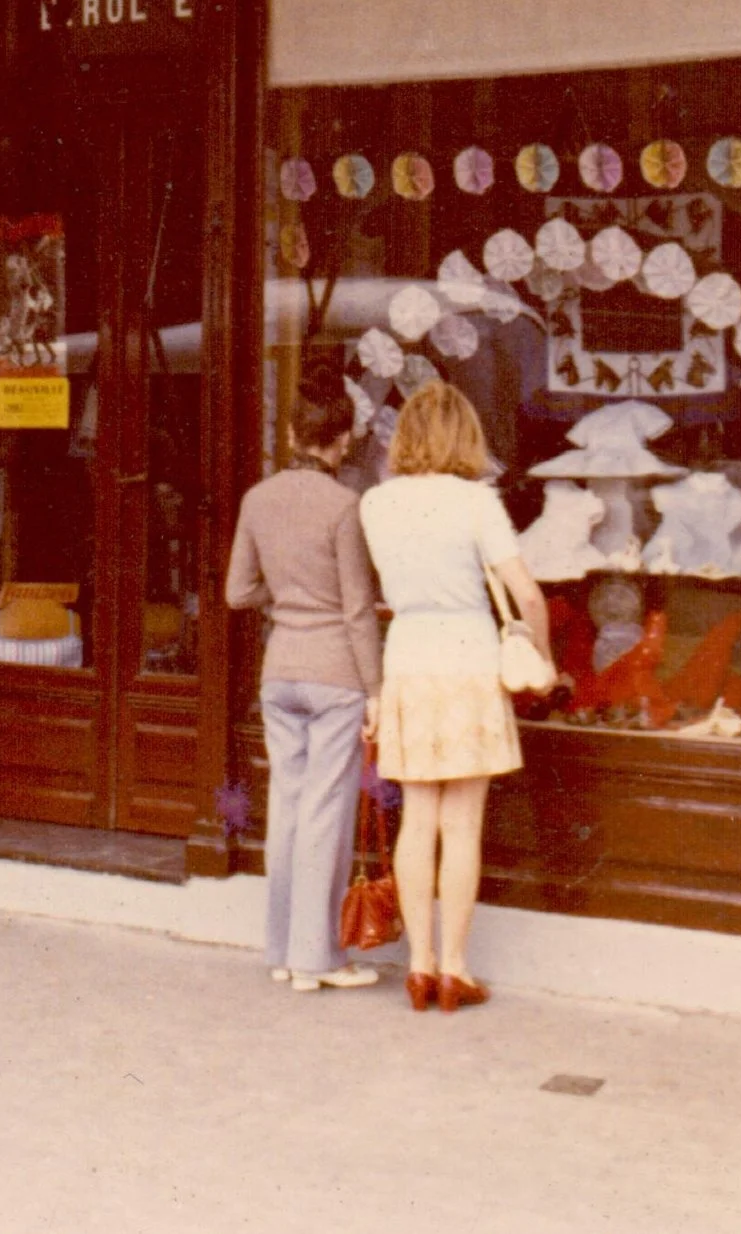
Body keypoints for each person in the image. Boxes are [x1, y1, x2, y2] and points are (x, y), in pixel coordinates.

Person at [358, 381, 550, 1013]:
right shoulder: (476, 501)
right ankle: (457, 969)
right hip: (467, 657)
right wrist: (543, 660)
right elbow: (525, 593)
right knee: (462, 823)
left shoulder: (376, 504)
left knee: (419, 818)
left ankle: (418, 965)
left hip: (408, 657)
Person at [224, 356, 385, 993]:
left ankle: (284, 952)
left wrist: (284, 601)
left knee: (287, 807)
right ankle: (318, 959)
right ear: (343, 440)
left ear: (292, 435)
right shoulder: (345, 506)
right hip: (336, 676)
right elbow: (356, 609)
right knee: (326, 812)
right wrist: (376, 690)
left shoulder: (258, 499)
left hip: (280, 670)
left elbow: (238, 591)